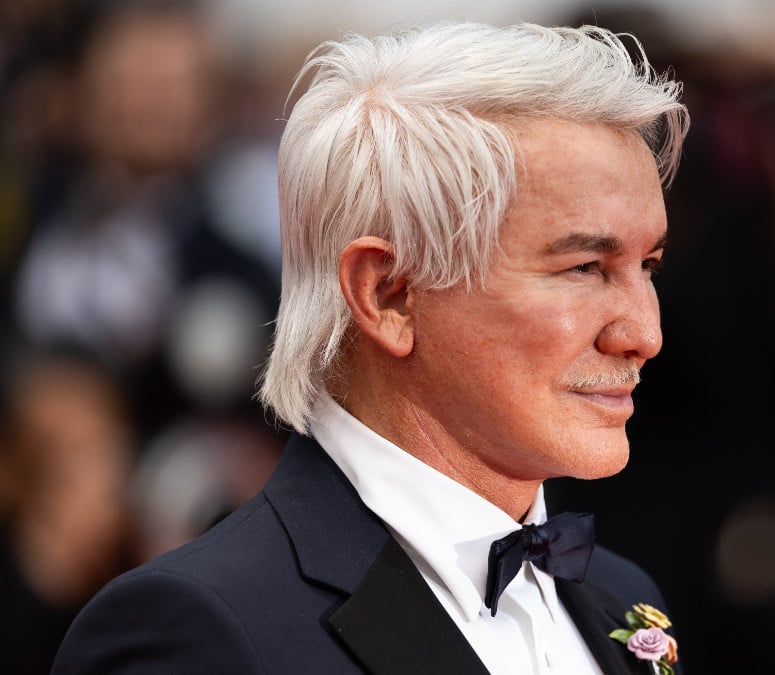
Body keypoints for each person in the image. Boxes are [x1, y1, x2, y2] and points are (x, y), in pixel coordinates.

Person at [52, 20, 688, 675]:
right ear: (388, 294)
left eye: (651, 266)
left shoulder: (623, 596)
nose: (645, 332)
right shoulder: (197, 633)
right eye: (585, 267)